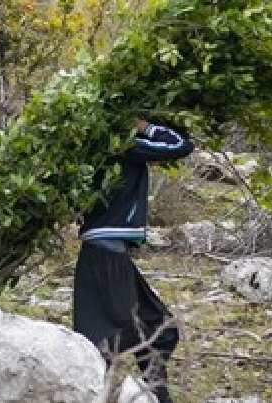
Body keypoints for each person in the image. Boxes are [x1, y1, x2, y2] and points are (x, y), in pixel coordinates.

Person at [73, 118, 193, 403]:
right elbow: (179, 144)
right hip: (105, 254)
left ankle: (157, 396)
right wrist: (144, 126)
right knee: (112, 337)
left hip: (105, 252)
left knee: (158, 327)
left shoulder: (98, 146)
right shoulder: (122, 146)